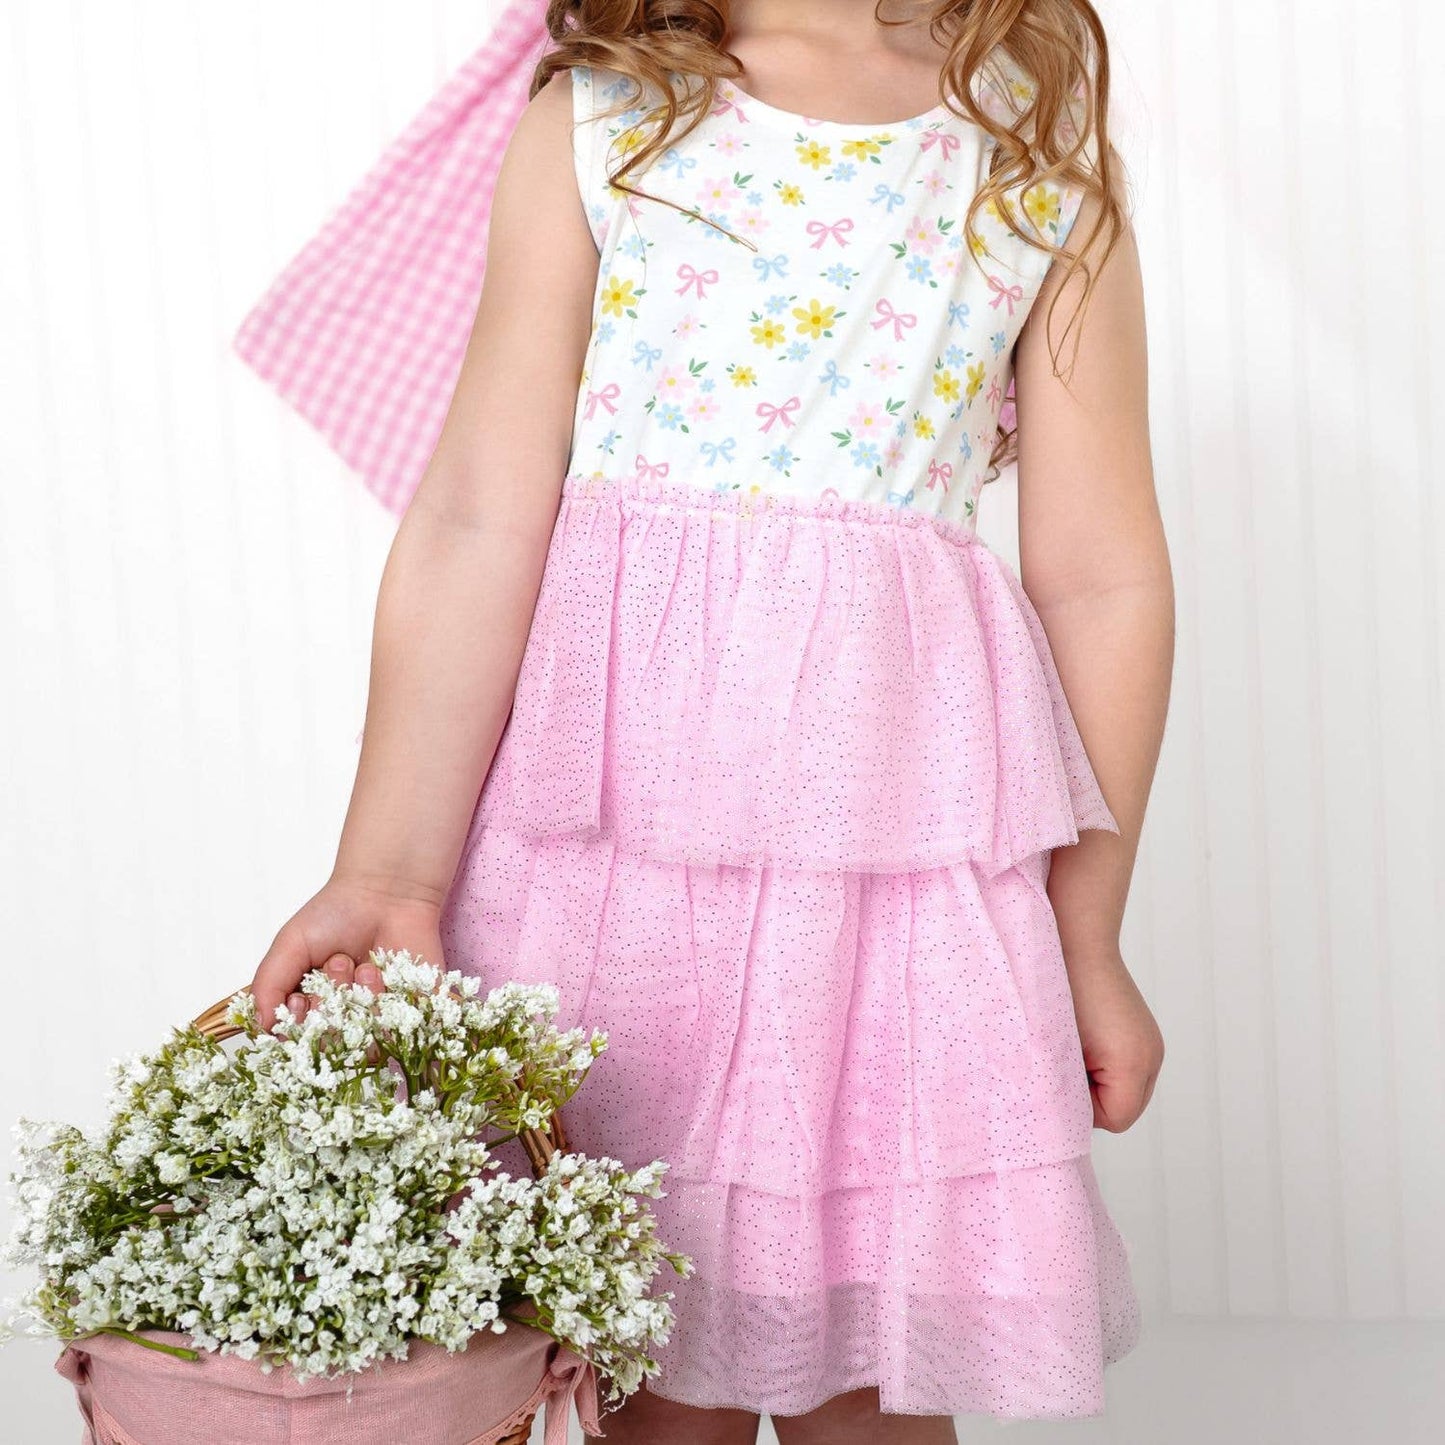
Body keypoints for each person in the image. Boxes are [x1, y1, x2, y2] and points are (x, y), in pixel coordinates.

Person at [248, 1, 1171, 1440]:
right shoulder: (607, 116)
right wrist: (389, 872)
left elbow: (1101, 576)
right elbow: (479, 514)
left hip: (888, 879)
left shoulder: (1026, 148)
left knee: (872, 1374)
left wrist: (1082, 930)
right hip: (614, 859)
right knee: (636, 1358)